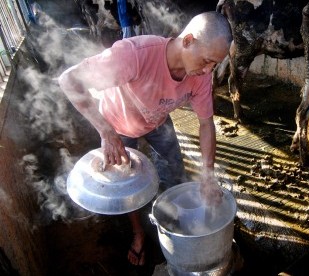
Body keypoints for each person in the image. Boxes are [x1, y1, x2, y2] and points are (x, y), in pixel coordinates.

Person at [58, 11, 232, 266]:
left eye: (214, 65)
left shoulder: (201, 76)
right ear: (188, 41)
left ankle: (175, 226)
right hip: (117, 126)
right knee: (127, 189)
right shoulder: (133, 55)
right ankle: (138, 233)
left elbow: (206, 123)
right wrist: (106, 132)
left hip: (157, 121)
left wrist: (207, 174)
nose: (208, 70)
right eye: (207, 61)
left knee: (174, 175)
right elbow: (68, 80)